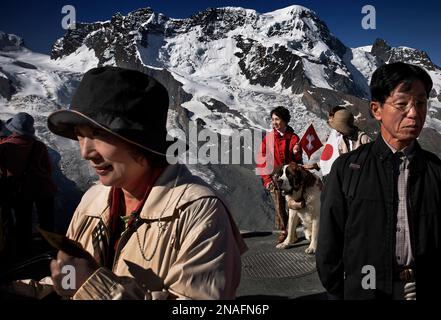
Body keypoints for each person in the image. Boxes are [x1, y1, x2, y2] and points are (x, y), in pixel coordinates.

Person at [8, 66, 247, 300]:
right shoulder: (92, 200)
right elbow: (72, 284)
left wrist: (96, 287)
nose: (85, 152)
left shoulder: (199, 211)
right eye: (80, 136)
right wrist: (24, 290)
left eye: (97, 134)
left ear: (139, 140)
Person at [316, 62, 441, 300]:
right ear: (376, 109)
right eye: (402, 104)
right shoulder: (347, 170)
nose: (414, 112)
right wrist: (344, 292)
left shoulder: (436, 171)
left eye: (421, 103)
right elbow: (329, 244)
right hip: (366, 292)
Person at [0, 112, 56, 261]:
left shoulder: (5, 146)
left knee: (23, 222)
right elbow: (48, 169)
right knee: (47, 221)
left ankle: (24, 253)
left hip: (21, 191)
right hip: (44, 189)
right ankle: (49, 250)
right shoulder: (39, 146)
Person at [256, 106, 303, 244]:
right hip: (274, 177)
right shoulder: (269, 138)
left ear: (285, 120)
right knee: (279, 205)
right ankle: (285, 231)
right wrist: (266, 180)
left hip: (290, 178)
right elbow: (261, 159)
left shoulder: (294, 137)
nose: (274, 122)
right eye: (273, 119)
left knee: (292, 204)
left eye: (277, 119)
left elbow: (298, 161)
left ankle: (292, 231)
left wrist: (296, 151)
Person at [303, 106, 370, 180]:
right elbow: (334, 158)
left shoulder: (363, 139)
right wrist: (316, 165)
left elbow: (368, 165)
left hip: (358, 180)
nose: (337, 131)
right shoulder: (341, 138)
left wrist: (350, 165)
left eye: (340, 129)